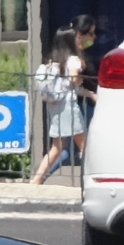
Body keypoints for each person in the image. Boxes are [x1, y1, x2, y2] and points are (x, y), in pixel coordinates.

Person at [31, 31, 88, 184]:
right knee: (85, 146)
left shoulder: (52, 61)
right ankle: (89, 179)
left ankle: (36, 180)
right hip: (69, 107)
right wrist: (80, 79)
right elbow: (74, 78)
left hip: (55, 106)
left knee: (57, 146)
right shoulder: (73, 60)